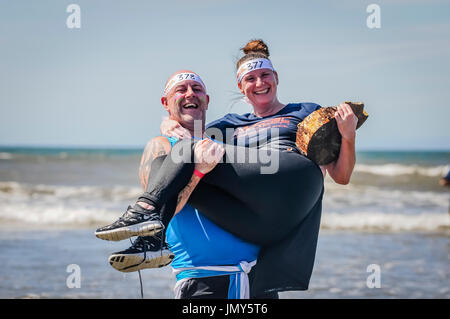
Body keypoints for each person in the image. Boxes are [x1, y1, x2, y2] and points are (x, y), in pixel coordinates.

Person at [96, 39, 358, 296]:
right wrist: (168, 124)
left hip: (290, 181)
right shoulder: (226, 126)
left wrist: (347, 136)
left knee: (188, 151)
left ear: (276, 77)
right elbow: (190, 136)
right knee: (184, 166)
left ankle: (143, 210)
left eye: (265, 75)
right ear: (240, 87)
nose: (259, 83)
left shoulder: (304, 111)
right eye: (250, 79)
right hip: (259, 222)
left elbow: (340, 175)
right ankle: (153, 240)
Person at [100, 70, 269, 299]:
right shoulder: (161, 146)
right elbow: (164, 211)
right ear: (166, 103)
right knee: (151, 213)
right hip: (203, 280)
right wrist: (199, 172)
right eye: (181, 90)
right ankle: (145, 228)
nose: (190, 94)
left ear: (207, 101)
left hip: (258, 279)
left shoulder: (225, 142)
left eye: (197, 89)